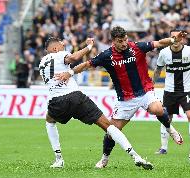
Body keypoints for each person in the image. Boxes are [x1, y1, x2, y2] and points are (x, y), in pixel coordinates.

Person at [55, 26, 185, 169]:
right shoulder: (106, 55)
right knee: (112, 131)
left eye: (125, 40)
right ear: (113, 41)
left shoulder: (137, 47)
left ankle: (170, 129)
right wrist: (70, 73)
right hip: (125, 100)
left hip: (145, 92)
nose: (124, 43)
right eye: (120, 41)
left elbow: (159, 43)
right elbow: (87, 65)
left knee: (158, 109)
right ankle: (104, 158)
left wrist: (173, 39)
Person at [39, 37, 153, 170]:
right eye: (61, 44)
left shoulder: (42, 62)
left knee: (49, 120)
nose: (64, 45)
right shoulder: (59, 54)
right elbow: (73, 58)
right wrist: (89, 47)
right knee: (108, 126)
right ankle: (135, 156)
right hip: (75, 97)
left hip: (56, 101)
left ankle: (58, 159)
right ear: (54, 48)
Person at [153, 28, 190, 154]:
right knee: (166, 118)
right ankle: (164, 148)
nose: (176, 39)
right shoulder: (164, 53)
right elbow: (158, 70)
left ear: (182, 38)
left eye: (178, 37)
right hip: (169, 91)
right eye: (173, 37)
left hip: (186, 91)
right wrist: (151, 84)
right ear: (169, 38)